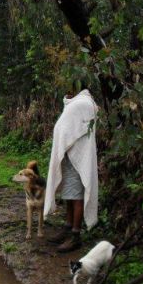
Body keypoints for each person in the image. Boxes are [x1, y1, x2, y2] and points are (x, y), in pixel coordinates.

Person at [44, 80, 98, 252]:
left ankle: (75, 236)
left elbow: (71, 129)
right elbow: (68, 126)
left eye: (71, 87)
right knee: (69, 194)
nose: (67, 91)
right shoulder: (78, 103)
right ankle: (67, 228)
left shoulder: (83, 103)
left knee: (77, 197)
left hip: (78, 157)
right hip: (70, 155)